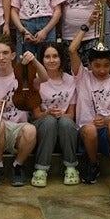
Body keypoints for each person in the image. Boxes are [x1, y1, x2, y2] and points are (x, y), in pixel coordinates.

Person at [68, 24, 110, 204]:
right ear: (89, 64)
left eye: (106, 66)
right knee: (89, 129)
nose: (102, 70)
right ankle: (93, 163)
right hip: (86, 132)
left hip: (107, 131)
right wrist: (86, 26)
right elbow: (72, 50)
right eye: (97, 66)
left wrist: (107, 121)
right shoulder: (83, 77)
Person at [0, 35, 38, 188]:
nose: (1, 57)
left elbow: (44, 79)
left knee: (31, 130)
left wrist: (34, 61)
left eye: (5, 53)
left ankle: (18, 165)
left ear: (13, 55)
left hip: (19, 127)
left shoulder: (23, 76)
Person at [22, 43, 79, 187]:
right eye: (47, 57)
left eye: (55, 56)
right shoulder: (36, 80)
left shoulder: (71, 80)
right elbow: (36, 115)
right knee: (49, 121)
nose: (51, 60)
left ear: (61, 59)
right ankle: (41, 169)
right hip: (43, 125)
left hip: (64, 126)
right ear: (42, 59)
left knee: (66, 122)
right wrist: (47, 113)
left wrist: (62, 115)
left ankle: (71, 167)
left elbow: (71, 115)